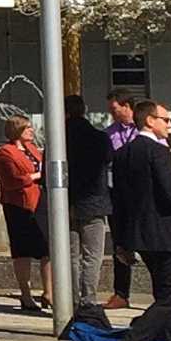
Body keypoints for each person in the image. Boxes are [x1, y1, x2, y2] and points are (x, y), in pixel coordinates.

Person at [104, 99, 171, 341]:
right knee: (170, 298)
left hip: (140, 235)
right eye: (165, 120)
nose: (169, 125)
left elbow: (117, 202)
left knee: (165, 300)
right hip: (166, 234)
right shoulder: (157, 151)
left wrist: (122, 241)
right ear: (149, 121)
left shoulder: (123, 154)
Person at [62, 93, 116, 326]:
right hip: (94, 201)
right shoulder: (99, 137)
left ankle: (72, 300)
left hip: (67, 201)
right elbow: (108, 160)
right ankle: (88, 299)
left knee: (71, 255)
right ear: (84, 111)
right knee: (92, 255)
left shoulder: (59, 138)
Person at [0, 113, 48, 314]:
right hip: (18, 206)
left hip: (40, 202)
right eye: (27, 128)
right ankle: (26, 294)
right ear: (17, 131)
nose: (32, 130)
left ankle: (48, 292)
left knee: (47, 249)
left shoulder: (33, 150)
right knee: (22, 250)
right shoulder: (5, 153)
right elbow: (11, 181)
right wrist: (35, 176)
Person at [102, 90, 142, 307]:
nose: (112, 114)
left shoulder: (144, 130)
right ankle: (121, 293)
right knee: (120, 244)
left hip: (141, 193)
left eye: (114, 109)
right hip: (117, 193)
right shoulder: (109, 134)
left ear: (127, 106)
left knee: (147, 241)